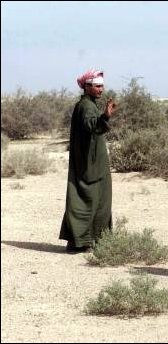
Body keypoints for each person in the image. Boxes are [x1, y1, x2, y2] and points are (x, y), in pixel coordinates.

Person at [59, 69, 116, 253]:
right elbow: (92, 125)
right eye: (97, 86)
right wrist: (105, 116)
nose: (101, 89)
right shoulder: (86, 106)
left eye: (102, 86)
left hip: (91, 163)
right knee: (89, 201)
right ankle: (82, 242)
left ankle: (84, 241)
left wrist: (104, 116)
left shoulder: (88, 104)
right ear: (87, 87)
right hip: (90, 166)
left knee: (94, 201)